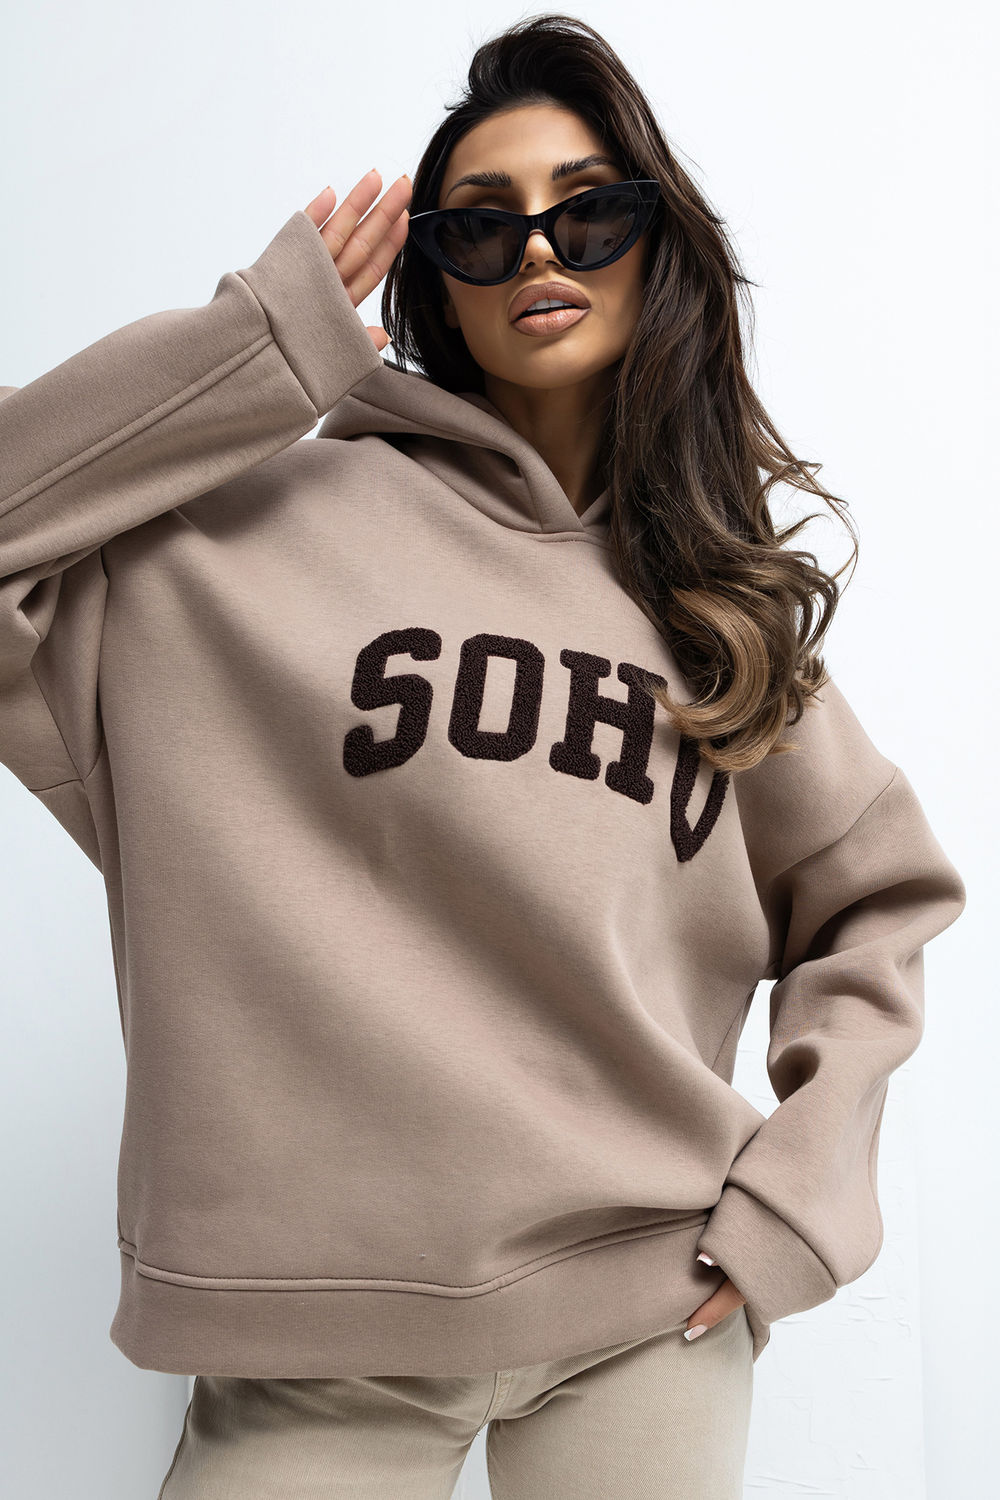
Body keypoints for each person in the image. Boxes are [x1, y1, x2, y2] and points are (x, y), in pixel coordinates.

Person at [0, 14, 966, 1500]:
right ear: (433, 278)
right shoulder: (247, 538)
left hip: (647, 1306)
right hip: (315, 1327)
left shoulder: (716, 602)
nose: (538, 253)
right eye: (479, 226)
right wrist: (264, 348)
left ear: (656, 243)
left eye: (590, 211)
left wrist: (795, 1205)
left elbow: (879, 904)